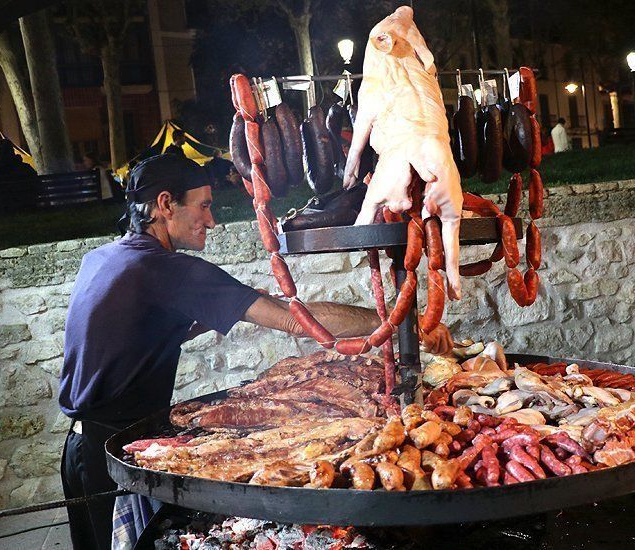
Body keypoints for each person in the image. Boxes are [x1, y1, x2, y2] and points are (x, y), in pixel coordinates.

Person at [58, 154, 453, 550]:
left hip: (78, 449)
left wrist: (224, 309)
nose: (211, 221)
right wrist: (403, 324)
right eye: (204, 206)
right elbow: (296, 321)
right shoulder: (168, 270)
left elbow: (134, 330)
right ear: (165, 204)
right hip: (112, 457)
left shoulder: (106, 258)